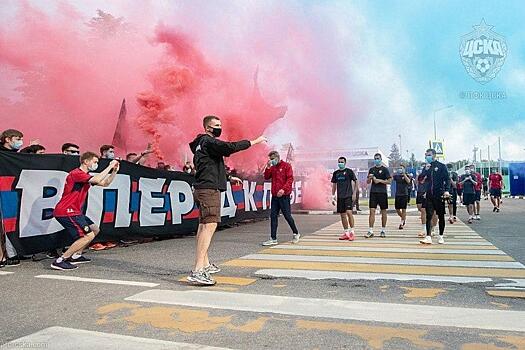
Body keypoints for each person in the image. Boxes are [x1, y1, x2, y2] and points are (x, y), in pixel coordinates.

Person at [188, 115, 266, 285]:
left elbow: (210, 166)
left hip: (203, 187)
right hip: (208, 189)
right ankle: (198, 270)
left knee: (204, 226)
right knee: (209, 225)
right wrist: (254, 141)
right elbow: (229, 147)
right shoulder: (208, 141)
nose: (219, 127)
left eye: (220, 124)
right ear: (208, 128)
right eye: (216, 125)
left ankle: (205, 265)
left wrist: (229, 178)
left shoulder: (200, 145)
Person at [51, 152, 120, 270]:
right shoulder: (76, 173)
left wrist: (114, 171)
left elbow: (105, 183)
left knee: (95, 229)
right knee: (86, 236)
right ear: (86, 162)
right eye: (95, 162)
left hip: (76, 211)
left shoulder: (85, 176)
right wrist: (109, 166)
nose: (96, 164)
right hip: (67, 210)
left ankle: (77, 255)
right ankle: (61, 260)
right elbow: (98, 179)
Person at [262, 150, 300, 246]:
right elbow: (266, 177)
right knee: (273, 216)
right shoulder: (273, 167)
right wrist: (268, 167)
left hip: (284, 196)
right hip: (275, 196)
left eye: (272, 159)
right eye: (270, 159)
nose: (271, 161)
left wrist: (283, 189)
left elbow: (290, 179)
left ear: (277, 157)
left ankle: (296, 233)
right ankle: (273, 238)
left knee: (287, 216)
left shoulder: (287, 166)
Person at [419, 149, 450, 245]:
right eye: (426, 155)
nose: (427, 157)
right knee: (429, 215)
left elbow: (447, 179)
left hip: (439, 194)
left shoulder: (441, 166)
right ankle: (428, 237)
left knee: (440, 215)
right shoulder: (426, 167)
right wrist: (426, 171)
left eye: (428, 155)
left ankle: (441, 236)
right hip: (429, 194)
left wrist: (446, 190)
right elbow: (420, 179)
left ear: (434, 155)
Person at [330, 157, 357, 241]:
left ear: (345, 163)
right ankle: (346, 233)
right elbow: (334, 185)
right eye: (339, 162)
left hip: (348, 196)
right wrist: (333, 195)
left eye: (342, 162)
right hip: (340, 197)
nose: (340, 163)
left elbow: (356, 182)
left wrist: (354, 193)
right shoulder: (336, 173)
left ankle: (352, 232)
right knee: (342, 215)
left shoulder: (349, 172)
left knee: (349, 212)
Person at [366, 153, 392, 238]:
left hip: (382, 193)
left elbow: (389, 181)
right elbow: (368, 182)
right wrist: (370, 178)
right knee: (372, 211)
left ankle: (383, 230)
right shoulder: (371, 169)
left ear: (381, 159)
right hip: (373, 192)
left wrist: (379, 181)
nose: (376, 160)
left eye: (378, 158)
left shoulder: (385, 169)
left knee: (383, 211)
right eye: (375, 158)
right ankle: (370, 230)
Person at [393, 164, 411, 229]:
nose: (400, 169)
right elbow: (391, 178)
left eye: (401, 168)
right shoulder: (396, 176)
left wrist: (404, 174)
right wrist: (394, 172)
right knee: (397, 209)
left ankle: (402, 222)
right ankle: (403, 218)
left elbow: (408, 181)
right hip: (398, 194)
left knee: (404, 209)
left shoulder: (407, 175)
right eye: (399, 168)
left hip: (404, 194)